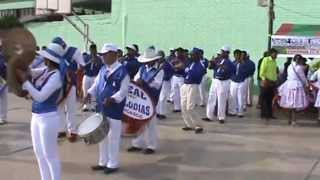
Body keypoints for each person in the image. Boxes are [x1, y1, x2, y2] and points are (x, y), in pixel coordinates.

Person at [16, 43, 64, 180]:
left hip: (48, 118)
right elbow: (29, 72)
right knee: (39, 153)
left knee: (50, 155)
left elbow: (40, 96)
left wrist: (25, 82)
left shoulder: (56, 77)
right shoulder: (45, 70)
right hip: (36, 116)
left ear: (49, 59)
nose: (43, 59)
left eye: (45, 57)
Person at [85, 43, 129, 174]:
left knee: (113, 137)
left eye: (105, 54)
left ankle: (113, 164)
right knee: (102, 136)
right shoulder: (103, 69)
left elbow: (123, 91)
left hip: (114, 109)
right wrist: (89, 92)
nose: (103, 57)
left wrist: (113, 98)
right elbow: (97, 84)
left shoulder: (123, 71)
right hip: (101, 108)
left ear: (114, 55)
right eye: (102, 55)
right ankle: (102, 162)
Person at [127, 47, 164, 155]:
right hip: (140, 98)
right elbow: (136, 79)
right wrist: (136, 82)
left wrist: (144, 83)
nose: (147, 63)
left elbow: (156, 85)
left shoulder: (159, 71)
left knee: (151, 123)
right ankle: (137, 144)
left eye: (149, 61)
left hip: (152, 99)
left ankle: (151, 146)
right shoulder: (142, 68)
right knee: (138, 120)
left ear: (154, 60)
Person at [51, 37, 85, 142]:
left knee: (71, 108)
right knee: (59, 108)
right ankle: (61, 129)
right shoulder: (55, 53)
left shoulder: (74, 51)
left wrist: (75, 77)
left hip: (71, 84)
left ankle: (73, 131)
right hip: (59, 83)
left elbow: (82, 66)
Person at [203, 46, 236, 124]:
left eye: (223, 52)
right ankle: (209, 116)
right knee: (211, 97)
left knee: (222, 99)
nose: (221, 53)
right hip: (215, 81)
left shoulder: (229, 62)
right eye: (221, 51)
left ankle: (221, 117)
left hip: (224, 82)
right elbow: (210, 67)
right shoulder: (218, 60)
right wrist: (211, 62)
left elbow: (229, 70)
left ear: (227, 53)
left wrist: (219, 65)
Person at [278, 55, 309, 126]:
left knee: (289, 104)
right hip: (296, 86)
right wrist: (307, 85)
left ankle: (289, 120)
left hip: (288, 85)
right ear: (298, 60)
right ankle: (294, 121)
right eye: (300, 60)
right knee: (295, 104)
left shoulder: (290, 66)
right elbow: (303, 78)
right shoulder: (299, 68)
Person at [180, 48, 206, 133]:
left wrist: (188, 70)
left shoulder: (200, 65)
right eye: (190, 54)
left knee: (190, 107)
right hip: (185, 85)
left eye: (192, 55)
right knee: (183, 106)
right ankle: (189, 124)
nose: (190, 56)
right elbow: (185, 73)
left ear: (197, 56)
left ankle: (198, 125)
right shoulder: (190, 63)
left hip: (193, 86)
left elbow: (197, 75)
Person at [259, 48, 279, 124]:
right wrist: (264, 80)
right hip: (266, 81)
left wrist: (275, 80)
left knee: (270, 99)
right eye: (275, 54)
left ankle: (270, 114)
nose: (276, 55)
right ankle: (264, 114)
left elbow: (274, 72)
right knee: (264, 99)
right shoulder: (266, 60)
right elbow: (262, 72)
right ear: (271, 53)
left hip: (273, 82)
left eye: (277, 54)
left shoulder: (274, 61)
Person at [81, 44, 103, 112]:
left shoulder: (99, 58)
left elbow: (101, 68)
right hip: (87, 76)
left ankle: (93, 106)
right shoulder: (86, 57)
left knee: (93, 92)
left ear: (96, 50)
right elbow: (83, 66)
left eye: (94, 50)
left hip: (94, 76)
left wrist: (96, 63)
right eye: (91, 50)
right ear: (90, 50)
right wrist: (89, 62)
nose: (93, 51)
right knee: (86, 91)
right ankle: (86, 105)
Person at [228, 49, 248, 117]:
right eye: (235, 55)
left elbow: (246, 73)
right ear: (234, 56)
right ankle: (232, 111)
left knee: (240, 97)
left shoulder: (244, 64)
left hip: (241, 82)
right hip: (233, 82)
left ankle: (240, 112)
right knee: (232, 97)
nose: (237, 57)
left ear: (240, 56)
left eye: (238, 55)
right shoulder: (232, 63)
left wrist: (242, 63)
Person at [156, 50, 174, 119]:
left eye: (159, 56)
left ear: (162, 57)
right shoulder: (157, 63)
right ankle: (157, 112)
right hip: (158, 82)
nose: (158, 58)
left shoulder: (166, 64)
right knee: (158, 97)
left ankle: (162, 113)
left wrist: (166, 77)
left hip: (165, 82)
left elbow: (172, 71)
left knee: (163, 97)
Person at [171, 47, 189, 112]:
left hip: (181, 77)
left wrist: (176, 66)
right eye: (176, 52)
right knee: (175, 92)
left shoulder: (185, 59)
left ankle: (183, 107)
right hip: (175, 77)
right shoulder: (175, 59)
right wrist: (176, 66)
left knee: (183, 93)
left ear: (181, 52)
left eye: (178, 52)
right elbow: (172, 66)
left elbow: (182, 66)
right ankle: (177, 108)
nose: (177, 53)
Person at [0, 46, 8, 125]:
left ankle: (3, 118)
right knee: (3, 100)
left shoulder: (4, 58)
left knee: (3, 100)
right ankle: (3, 117)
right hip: (3, 80)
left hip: (3, 80)